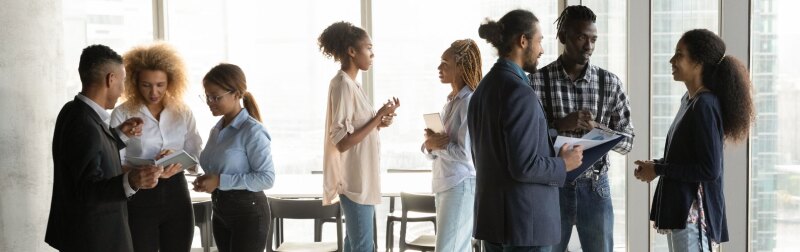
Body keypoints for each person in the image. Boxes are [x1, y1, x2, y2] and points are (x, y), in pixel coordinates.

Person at [470, 9, 584, 252]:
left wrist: (551, 135)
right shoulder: (519, 91)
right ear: (523, 41)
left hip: (494, 223)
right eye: (540, 40)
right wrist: (564, 163)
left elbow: (490, 153)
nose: (542, 49)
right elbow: (523, 165)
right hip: (525, 226)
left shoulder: (483, 89)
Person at [634, 29, 754, 252]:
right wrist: (654, 167)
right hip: (683, 213)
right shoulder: (690, 101)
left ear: (698, 63)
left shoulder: (705, 105)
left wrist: (659, 169)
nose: (672, 60)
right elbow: (686, 156)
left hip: (694, 216)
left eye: (679, 55)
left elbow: (709, 170)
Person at [528, 6, 635, 252]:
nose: (588, 45)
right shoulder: (536, 82)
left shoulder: (610, 83)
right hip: (552, 188)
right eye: (580, 37)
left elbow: (628, 142)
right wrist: (558, 126)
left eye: (593, 39)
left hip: (596, 188)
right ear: (563, 37)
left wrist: (597, 127)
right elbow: (526, 141)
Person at [45, 44, 163, 252]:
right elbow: (86, 189)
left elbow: (84, 156)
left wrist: (117, 136)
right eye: (123, 80)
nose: (123, 90)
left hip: (82, 235)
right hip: (95, 240)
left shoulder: (72, 111)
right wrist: (131, 181)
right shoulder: (84, 124)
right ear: (111, 79)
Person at [110, 42, 202, 252]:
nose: (154, 92)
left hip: (177, 194)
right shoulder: (122, 114)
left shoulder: (182, 112)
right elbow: (114, 161)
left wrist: (177, 160)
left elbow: (195, 154)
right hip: (139, 194)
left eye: (160, 84)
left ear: (171, 81)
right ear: (134, 82)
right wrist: (143, 171)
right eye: (146, 85)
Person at [318, 21, 400, 252]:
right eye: (368, 48)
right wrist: (377, 118)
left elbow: (357, 131)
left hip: (362, 179)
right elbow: (342, 141)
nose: (373, 54)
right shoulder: (342, 85)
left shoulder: (353, 85)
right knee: (363, 246)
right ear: (352, 51)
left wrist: (381, 121)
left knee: (355, 244)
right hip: (355, 182)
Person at [192, 63, 275, 252]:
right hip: (220, 210)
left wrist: (220, 180)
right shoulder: (217, 129)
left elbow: (267, 178)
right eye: (207, 96)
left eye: (216, 97)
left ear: (237, 94)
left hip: (249, 213)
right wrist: (206, 181)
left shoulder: (253, 131)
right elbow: (219, 170)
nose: (210, 102)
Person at [421, 39, 481, 252]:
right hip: (446, 184)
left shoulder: (469, 102)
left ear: (461, 67)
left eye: (445, 63)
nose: (439, 68)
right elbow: (433, 148)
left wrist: (436, 146)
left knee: (448, 248)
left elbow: (466, 153)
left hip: (461, 184)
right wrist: (430, 145)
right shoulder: (451, 102)